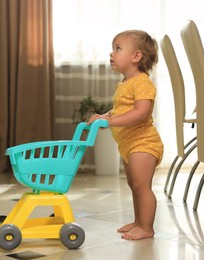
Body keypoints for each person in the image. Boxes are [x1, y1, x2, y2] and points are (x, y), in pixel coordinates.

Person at [87, 30, 164, 240]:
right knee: (134, 186)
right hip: (128, 145)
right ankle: (139, 221)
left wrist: (110, 121)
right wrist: (105, 115)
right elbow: (120, 109)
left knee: (142, 186)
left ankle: (147, 228)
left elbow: (141, 113)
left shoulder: (142, 82)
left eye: (117, 49)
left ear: (136, 56)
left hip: (143, 143)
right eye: (113, 48)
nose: (111, 53)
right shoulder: (124, 84)